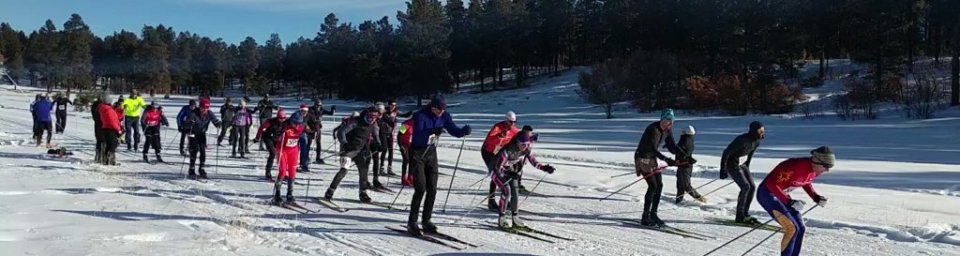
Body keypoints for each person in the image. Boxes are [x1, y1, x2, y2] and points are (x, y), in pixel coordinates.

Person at [406, 96, 472, 235]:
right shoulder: (421, 115)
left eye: (444, 109)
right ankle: (412, 223)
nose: (442, 112)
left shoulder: (444, 115)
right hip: (417, 153)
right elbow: (417, 135)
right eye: (439, 109)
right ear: (433, 107)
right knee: (420, 188)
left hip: (430, 153)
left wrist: (463, 131)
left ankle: (426, 221)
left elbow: (453, 130)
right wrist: (432, 131)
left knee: (433, 188)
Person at [758, 146, 832, 256]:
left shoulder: (815, 170)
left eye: (830, 166)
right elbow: (771, 184)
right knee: (791, 228)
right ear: (816, 161)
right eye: (826, 166)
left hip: (781, 195)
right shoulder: (794, 166)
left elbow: (806, 180)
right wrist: (789, 202)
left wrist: (815, 197)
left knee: (801, 229)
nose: (827, 170)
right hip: (767, 194)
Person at [490, 126, 555, 229]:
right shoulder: (507, 150)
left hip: (510, 172)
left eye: (527, 144)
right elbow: (497, 168)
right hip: (497, 172)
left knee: (515, 193)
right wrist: (509, 173)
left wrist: (545, 168)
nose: (525, 147)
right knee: (506, 191)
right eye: (523, 145)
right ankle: (502, 218)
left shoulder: (526, 149)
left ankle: (515, 217)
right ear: (517, 142)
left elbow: (534, 162)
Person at [634, 108, 686, 228]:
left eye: (672, 121)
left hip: (651, 159)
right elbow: (652, 149)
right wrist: (667, 160)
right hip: (642, 158)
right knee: (653, 186)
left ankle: (654, 214)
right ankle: (645, 216)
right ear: (663, 120)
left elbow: (672, 145)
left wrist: (685, 156)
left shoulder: (667, 130)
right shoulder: (653, 129)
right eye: (668, 121)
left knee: (659, 185)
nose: (671, 124)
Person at [324, 106, 384, 203]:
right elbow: (341, 132)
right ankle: (330, 191)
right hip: (348, 150)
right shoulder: (356, 121)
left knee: (364, 170)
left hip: (359, 150)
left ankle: (363, 192)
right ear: (367, 114)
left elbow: (376, 136)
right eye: (371, 116)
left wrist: (379, 145)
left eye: (375, 116)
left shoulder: (373, 124)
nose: (373, 118)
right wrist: (345, 143)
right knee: (343, 171)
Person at [720, 121, 765, 225]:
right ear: (754, 131)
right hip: (733, 164)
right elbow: (726, 152)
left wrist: (747, 164)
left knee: (752, 187)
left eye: (763, 131)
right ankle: (739, 216)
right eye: (760, 131)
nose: (762, 133)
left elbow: (751, 152)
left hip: (743, 165)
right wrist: (723, 169)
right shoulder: (742, 140)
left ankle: (745, 213)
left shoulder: (757, 141)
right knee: (745, 187)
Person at [483, 111, 519, 210]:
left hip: (499, 153)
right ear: (506, 120)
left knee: (504, 173)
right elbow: (489, 139)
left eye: (514, 122)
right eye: (510, 122)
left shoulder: (514, 130)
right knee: (495, 174)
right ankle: (491, 201)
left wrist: (530, 138)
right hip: (488, 152)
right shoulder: (497, 127)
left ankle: (505, 199)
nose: (512, 124)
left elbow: (520, 138)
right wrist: (498, 136)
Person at [272, 110, 306, 205]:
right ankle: (277, 195)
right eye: (295, 123)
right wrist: (278, 134)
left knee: (292, 171)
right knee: (282, 171)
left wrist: (315, 129)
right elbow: (273, 135)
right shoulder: (284, 125)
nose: (296, 126)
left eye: (298, 123)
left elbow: (307, 130)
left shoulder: (301, 126)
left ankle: (289, 194)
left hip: (293, 150)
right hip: (282, 150)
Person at [182, 98, 221, 179]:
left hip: (201, 133)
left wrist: (217, 124)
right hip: (192, 133)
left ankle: (201, 169)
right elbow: (185, 124)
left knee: (203, 150)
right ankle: (191, 169)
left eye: (207, 108)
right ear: (199, 107)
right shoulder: (193, 113)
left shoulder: (209, 113)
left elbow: (215, 120)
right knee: (195, 150)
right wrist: (190, 124)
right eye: (203, 108)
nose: (205, 110)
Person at [377, 100, 412, 175]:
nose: (393, 106)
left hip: (390, 133)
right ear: (389, 105)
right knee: (384, 149)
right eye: (392, 105)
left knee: (391, 150)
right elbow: (388, 119)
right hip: (383, 132)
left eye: (394, 105)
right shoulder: (384, 111)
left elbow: (403, 115)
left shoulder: (395, 112)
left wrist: (410, 113)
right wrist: (393, 117)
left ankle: (389, 168)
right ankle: (381, 168)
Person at [254, 109, 287, 181]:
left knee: (282, 153)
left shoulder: (286, 122)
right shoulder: (271, 121)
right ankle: (268, 172)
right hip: (268, 138)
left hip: (277, 139)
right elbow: (261, 128)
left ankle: (283, 172)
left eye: (284, 118)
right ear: (277, 117)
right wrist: (257, 137)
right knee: (273, 153)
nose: (282, 119)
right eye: (281, 118)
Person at [675, 125, 705, 204]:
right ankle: (679, 199)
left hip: (685, 165)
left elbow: (681, 152)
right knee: (680, 183)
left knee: (685, 184)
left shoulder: (686, 140)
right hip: (684, 164)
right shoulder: (687, 139)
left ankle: (698, 197)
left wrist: (679, 159)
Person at [307, 98, 335, 164]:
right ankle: (306, 158)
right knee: (308, 144)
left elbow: (330, 113)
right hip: (310, 129)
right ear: (314, 104)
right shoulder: (310, 110)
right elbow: (309, 118)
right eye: (317, 105)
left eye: (320, 105)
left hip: (318, 129)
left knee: (318, 144)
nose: (318, 106)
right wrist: (316, 121)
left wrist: (332, 109)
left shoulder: (321, 110)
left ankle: (318, 158)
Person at [98, 94, 123, 166]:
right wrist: (118, 129)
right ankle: (109, 160)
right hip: (111, 129)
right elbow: (112, 121)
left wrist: (120, 111)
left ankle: (107, 160)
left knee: (110, 145)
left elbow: (116, 116)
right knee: (112, 145)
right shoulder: (108, 110)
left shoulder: (104, 108)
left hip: (106, 128)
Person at [396, 117, 414, 185]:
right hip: (404, 144)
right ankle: (403, 178)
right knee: (406, 159)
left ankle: (410, 177)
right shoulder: (406, 124)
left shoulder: (418, 124)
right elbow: (399, 134)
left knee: (412, 160)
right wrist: (400, 145)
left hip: (412, 145)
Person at [296, 104, 313, 172]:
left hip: (303, 134)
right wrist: (304, 126)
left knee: (304, 150)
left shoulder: (309, 115)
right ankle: (293, 165)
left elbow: (313, 121)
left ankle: (304, 165)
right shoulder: (296, 115)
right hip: (295, 135)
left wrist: (317, 125)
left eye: (306, 111)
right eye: (303, 111)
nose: (305, 112)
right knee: (295, 151)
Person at [92, 94, 106, 163]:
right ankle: (100, 156)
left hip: (100, 124)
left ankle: (100, 156)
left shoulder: (96, 105)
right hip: (101, 125)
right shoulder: (97, 106)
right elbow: (95, 116)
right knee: (102, 141)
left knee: (100, 141)